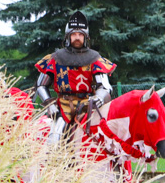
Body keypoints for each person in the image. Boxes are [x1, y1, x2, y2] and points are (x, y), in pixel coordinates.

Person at [35, 11, 116, 144]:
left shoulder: (95, 59)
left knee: (106, 138)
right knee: (53, 141)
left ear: (86, 37)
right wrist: (49, 104)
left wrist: (99, 97)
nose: (77, 38)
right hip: (63, 107)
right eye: (74, 35)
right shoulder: (55, 58)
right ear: (68, 37)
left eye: (80, 35)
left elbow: (106, 86)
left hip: (89, 105)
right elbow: (41, 85)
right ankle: (54, 163)